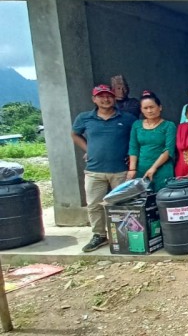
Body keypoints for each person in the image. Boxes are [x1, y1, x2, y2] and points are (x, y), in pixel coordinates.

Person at [72, 84, 137, 252]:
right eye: (101, 96)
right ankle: (99, 235)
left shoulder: (127, 118)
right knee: (94, 205)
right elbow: (74, 134)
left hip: (120, 170)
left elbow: (135, 138)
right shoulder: (85, 118)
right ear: (94, 99)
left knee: (122, 205)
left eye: (109, 96)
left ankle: (127, 235)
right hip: (94, 170)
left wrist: (130, 155)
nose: (105, 99)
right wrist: (88, 149)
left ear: (114, 98)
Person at [128, 92, 177, 192]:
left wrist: (153, 168)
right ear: (141, 110)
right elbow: (133, 148)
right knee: (144, 201)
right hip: (142, 168)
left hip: (163, 168)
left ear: (160, 107)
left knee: (163, 199)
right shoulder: (136, 125)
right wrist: (132, 169)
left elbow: (169, 149)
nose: (149, 111)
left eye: (152, 107)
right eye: (145, 108)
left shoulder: (169, 125)